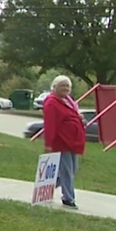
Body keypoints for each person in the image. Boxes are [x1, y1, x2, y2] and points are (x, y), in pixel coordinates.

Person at [42, 75, 86, 209]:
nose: (66, 88)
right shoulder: (51, 103)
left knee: (72, 171)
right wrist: (48, 144)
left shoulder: (68, 101)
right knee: (67, 171)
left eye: (68, 86)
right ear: (54, 87)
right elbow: (50, 124)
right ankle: (68, 199)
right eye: (62, 86)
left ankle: (47, 187)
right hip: (62, 142)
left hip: (73, 142)